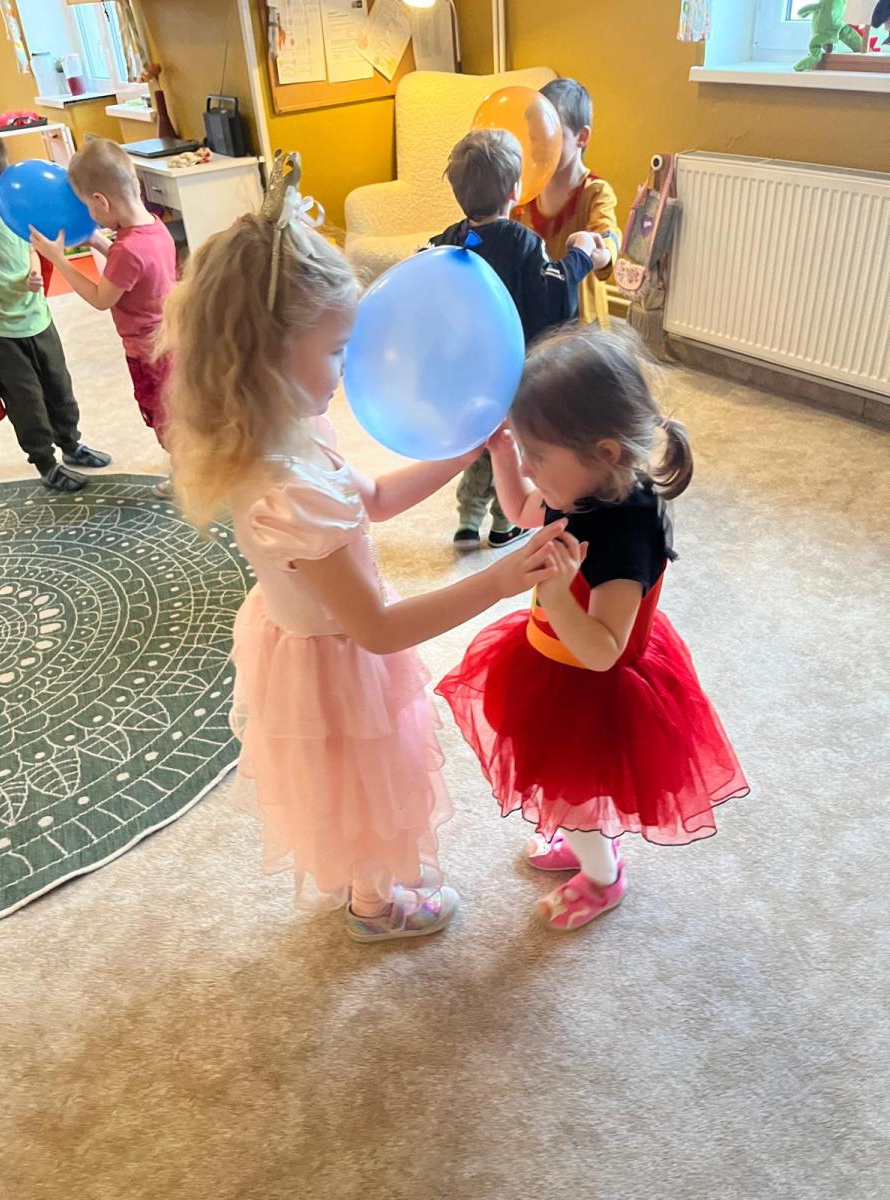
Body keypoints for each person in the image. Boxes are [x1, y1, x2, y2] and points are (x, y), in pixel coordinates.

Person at [160, 152, 569, 943]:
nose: (348, 369)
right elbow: (378, 628)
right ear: (264, 355)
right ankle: (375, 908)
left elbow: (373, 499)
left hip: (320, 639)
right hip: (335, 663)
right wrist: (499, 579)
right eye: (335, 350)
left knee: (359, 786)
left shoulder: (288, 434)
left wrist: (463, 451)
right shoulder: (288, 487)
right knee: (363, 789)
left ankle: (371, 890)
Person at [437, 326, 748, 932]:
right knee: (565, 792)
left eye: (538, 456)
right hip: (550, 661)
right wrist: (506, 456)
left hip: (591, 689)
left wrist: (555, 594)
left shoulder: (626, 536)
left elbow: (603, 650)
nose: (531, 470)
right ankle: (583, 839)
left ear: (604, 451)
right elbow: (522, 510)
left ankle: (603, 878)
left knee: (571, 792)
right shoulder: (576, 486)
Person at [430, 128, 610, 550]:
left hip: (470, 371)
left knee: (480, 441)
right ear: (515, 189)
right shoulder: (522, 242)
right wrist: (580, 256)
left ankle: (468, 519)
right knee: (509, 443)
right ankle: (504, 522)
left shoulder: (449, 241)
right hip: (512, 372)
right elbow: (553, 293)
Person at [30, 138, 176, 496]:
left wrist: (59, 259)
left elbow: (101, 298)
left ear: (100, 201)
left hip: (147, 349)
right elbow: (130, 269)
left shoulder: (128, 249)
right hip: (170, 338)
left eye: (86, 206)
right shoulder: (153, 227)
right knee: (176, 407)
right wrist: (95, 239)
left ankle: (186, 476)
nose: (86, 213)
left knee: (165, 417)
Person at [0, 129, 109, 492]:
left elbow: (29, 241)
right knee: (26, 401)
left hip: (37, 316)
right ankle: (45, 461)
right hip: (0, 333)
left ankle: (71, 443)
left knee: (59, 386)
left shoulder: (12, 203)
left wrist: (33, 268)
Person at [514, 78, 621, 329]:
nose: (541, 147)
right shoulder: (526, 190)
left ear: (581, 137)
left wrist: (604, 253)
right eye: (534, 137)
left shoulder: (595, 192)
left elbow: (608, 231)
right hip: (537, 313)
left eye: (551, 136)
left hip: (580, 323)